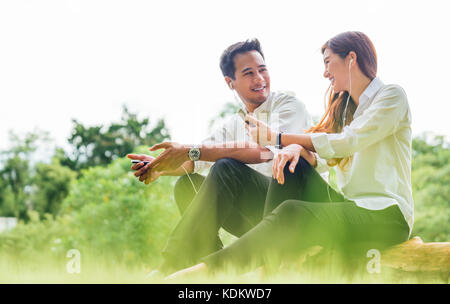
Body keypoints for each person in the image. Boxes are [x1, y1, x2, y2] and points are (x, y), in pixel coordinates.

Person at [165, 31, 413, 279]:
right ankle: (263, 260)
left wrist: (279, 139)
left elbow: (348, 142)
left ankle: (206, 272)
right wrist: (298, 150)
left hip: (386, 215)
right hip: (348, 207)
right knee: (289, 163)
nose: (325, 72)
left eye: (328, 62)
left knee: (291, 209)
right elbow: (326, 157)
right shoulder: (344, 108)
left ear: (350, 58)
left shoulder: (391, 96)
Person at [127, 38, 311, 274]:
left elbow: (265, 153)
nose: (259, 79)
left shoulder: (288, 105)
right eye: (249, 73)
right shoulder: (234, 123)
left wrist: (190, 149)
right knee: (187, 185)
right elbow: (195, 160)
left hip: (292, 209)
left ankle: (170, 265)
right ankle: (206, 264)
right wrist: (159, 167)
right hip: (258, 216)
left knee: (227, 167)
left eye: (262, 70)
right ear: (230, 82)